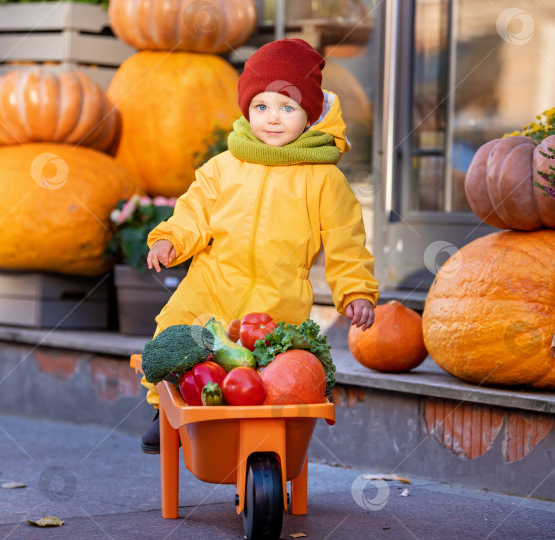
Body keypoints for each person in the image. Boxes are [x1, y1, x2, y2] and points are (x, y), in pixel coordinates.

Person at [139, 38, 379, 453]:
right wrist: (170, 240)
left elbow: (346, 240)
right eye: (261, 106)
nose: (272, 119)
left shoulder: (323, 179)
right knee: (175, 332)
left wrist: (355, 290)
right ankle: (166, 410)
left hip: (277, 299)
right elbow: (193, 210)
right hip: (211, 284)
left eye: (288, 108)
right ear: (247, 110)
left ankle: (258, 447)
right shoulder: (224, 166)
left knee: (268, 374)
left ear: (310, 115)